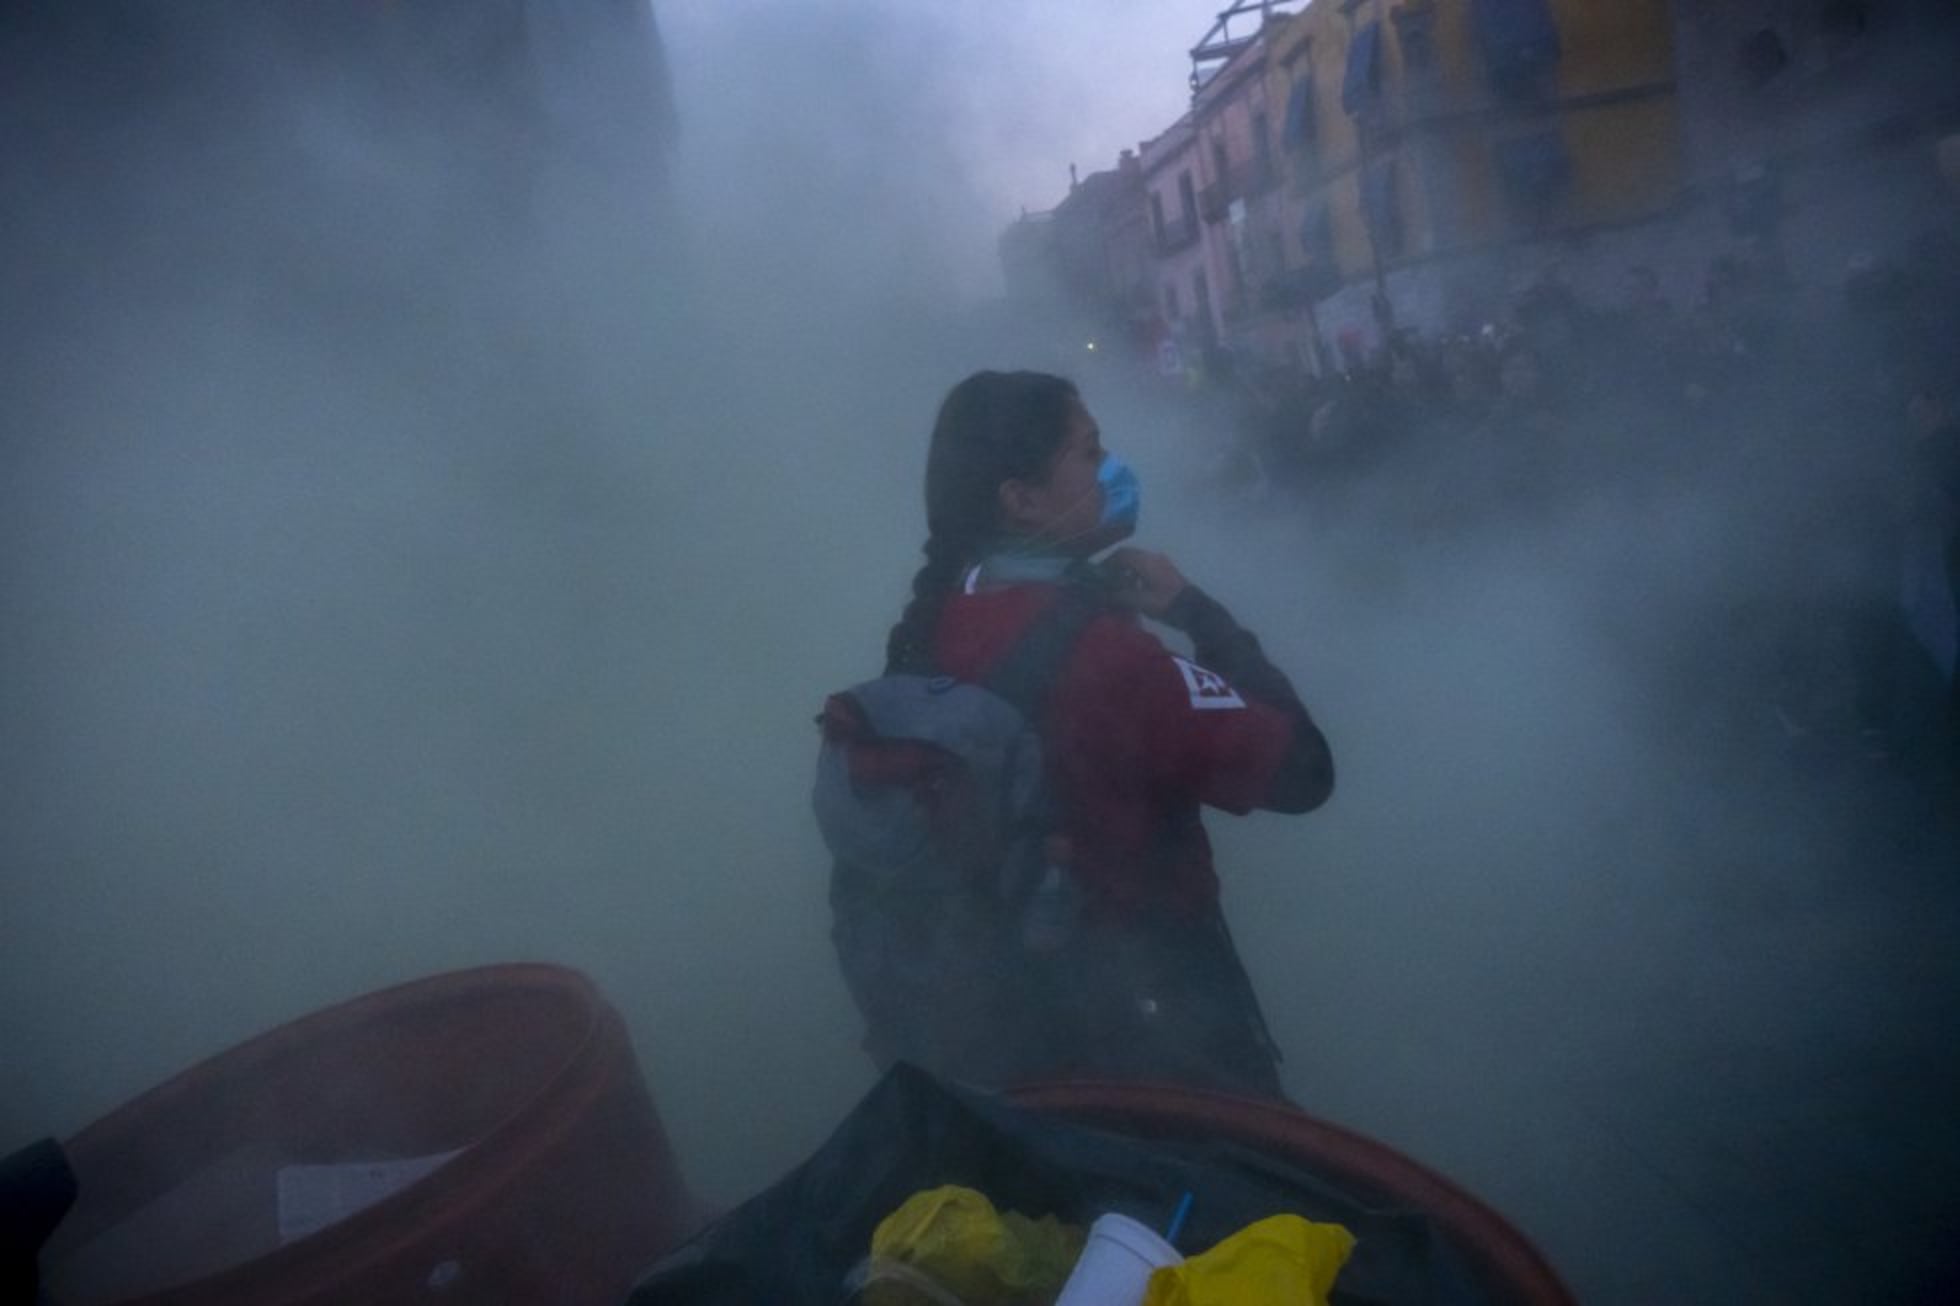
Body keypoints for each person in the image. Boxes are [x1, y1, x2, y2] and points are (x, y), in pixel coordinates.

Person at [838, 369, 1334, 1101]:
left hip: (1008, 1058)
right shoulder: (1108, 659)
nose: (1113, 469)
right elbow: (1304, 771)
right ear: (1022, 499)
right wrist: (1198, 612)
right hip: (1162, 1055)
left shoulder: (927, 632)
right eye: (1090, 451)